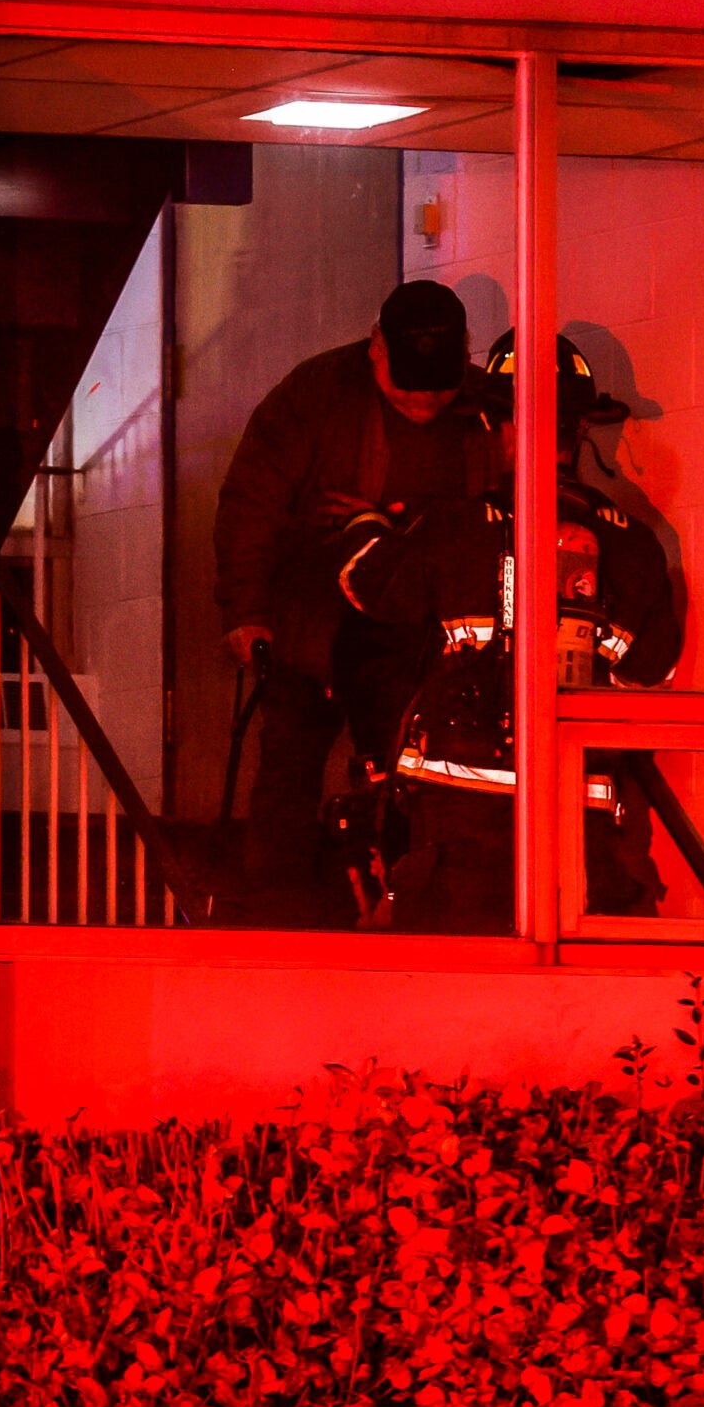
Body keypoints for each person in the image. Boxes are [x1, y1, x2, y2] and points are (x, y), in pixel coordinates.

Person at [332, 332, 683, 934]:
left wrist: (364, 521)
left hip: (456, 836)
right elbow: (653, 679)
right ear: (582, 429)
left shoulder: (454, 527)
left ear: (498, 425)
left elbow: (367, 585)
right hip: (581, 834)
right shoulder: (636, 546)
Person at [211, 280, 495, 926]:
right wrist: (246, 612)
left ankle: (412, 910)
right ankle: (276, 914)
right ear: (376, 349)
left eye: (437, 390)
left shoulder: (485, 407)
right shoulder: (313, 396)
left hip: (425, 635)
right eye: (408, 388)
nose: (423, 403)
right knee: (290, 763)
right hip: (315, 622)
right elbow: (250, 505)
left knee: (419, 780)